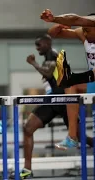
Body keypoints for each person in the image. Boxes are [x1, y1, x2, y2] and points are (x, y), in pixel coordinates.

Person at [9, 35, 93, 179]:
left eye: (39, 44)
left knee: (82, 137)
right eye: (36, 45)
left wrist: (33, 62)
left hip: (64, 100)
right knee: (28, 128)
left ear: (47, 43)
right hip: (52, 100)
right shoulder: (48, 57)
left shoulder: (55, 55)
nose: (37, 48)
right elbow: (50, 74)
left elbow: (48, 72)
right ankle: (26, 170)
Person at [40, 10, 95, 149]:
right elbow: (51, 35)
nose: (85, 34)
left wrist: (55, 18)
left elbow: (75, 18)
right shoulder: (83, 34)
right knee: (70, 85)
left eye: (87, 30)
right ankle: (72, 137)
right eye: (84, 31)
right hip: (93, 81)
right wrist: (57, 26)